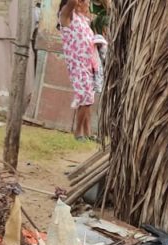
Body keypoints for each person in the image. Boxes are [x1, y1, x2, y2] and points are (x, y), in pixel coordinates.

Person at [58, 0, 99, 141]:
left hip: (89, 64)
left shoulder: (83, 20)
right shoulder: (67, 16)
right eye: (85, 1)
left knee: (89, 99)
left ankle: (88, 133)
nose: (88, 3)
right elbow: (72, 2)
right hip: (78, 65)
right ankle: (78, 133)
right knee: (84, 97)